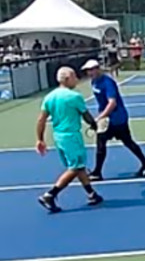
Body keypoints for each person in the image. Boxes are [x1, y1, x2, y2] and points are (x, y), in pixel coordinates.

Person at [35, 66, 103, 213]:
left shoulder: (49, 97)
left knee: (78, 166)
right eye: (74, 77)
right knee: (76, 167)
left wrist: (40, 139)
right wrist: (94, 125)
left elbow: (41, 120)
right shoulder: (74, 97)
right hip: (71, 137)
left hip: (58, 137)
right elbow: (86, 115)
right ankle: (50, 195)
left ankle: (92, 194)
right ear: (66, 79)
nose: (77, 79)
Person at [81, 59, 145, 181]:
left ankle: (97, 172)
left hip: (117, 118)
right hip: (107, 119)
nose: (89, 72)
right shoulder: (94, 82)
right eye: (87, 70)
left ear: (98, 69)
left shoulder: (108, 82)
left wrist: (100, 117)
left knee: (123, 142)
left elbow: (112, 103)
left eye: (92, 69)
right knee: (105, 143)